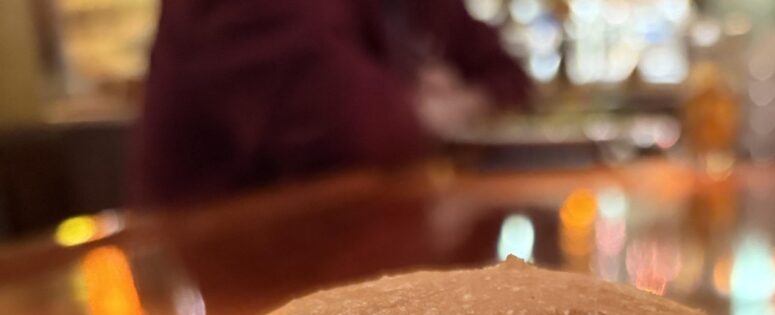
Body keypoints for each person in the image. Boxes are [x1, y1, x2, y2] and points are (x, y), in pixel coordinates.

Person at [132, 0, 530, 208]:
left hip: (364, 245)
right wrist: (438, 111)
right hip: (215, 279)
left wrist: (458, 105)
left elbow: (509, 77)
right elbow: (352, 132)